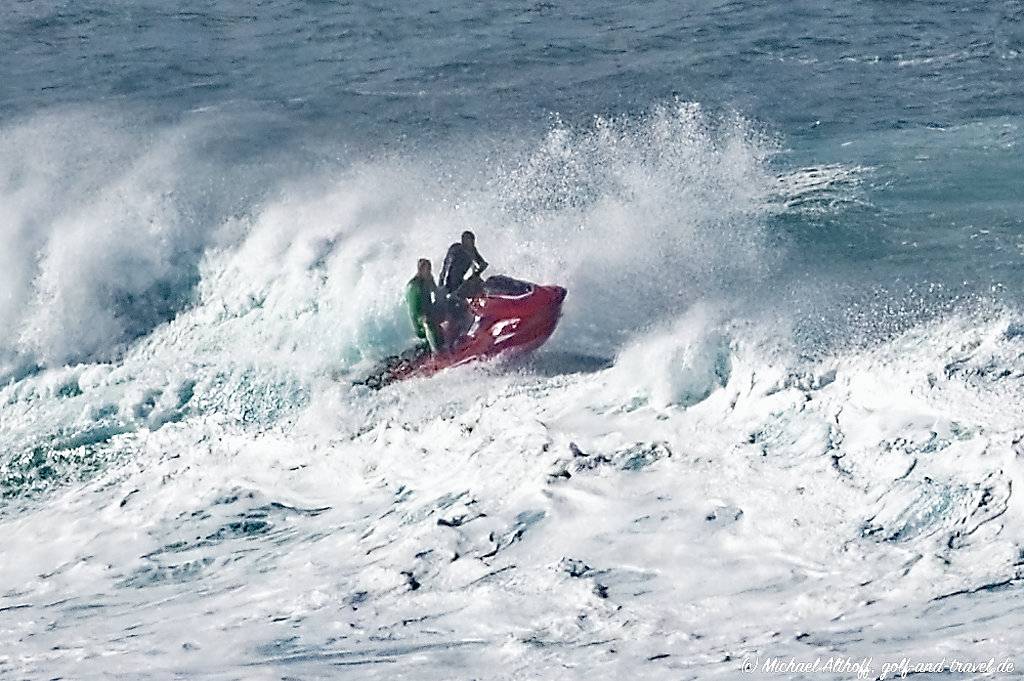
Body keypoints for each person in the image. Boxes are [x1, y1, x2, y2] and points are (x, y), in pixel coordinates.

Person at [405, 258, 443, 354]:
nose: (430, 272)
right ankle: (436, 354)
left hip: (430, 314)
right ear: (421, 270)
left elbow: (437, 293)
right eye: (428, 269)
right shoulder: (414, 286)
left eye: (430, 269)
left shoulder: (428, 279)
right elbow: (416, 313)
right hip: (421, 324)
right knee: (428, 321)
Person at [439, 230, 488, 298]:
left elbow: (483, 264)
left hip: (462, 281)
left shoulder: (472, 250)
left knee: (479, 283)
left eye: (471, 240)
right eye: (465, 239)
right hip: (452, 280)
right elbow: (446, 265)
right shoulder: (455, 248)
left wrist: (477, 272)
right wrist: (441, 282)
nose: (469, 243)